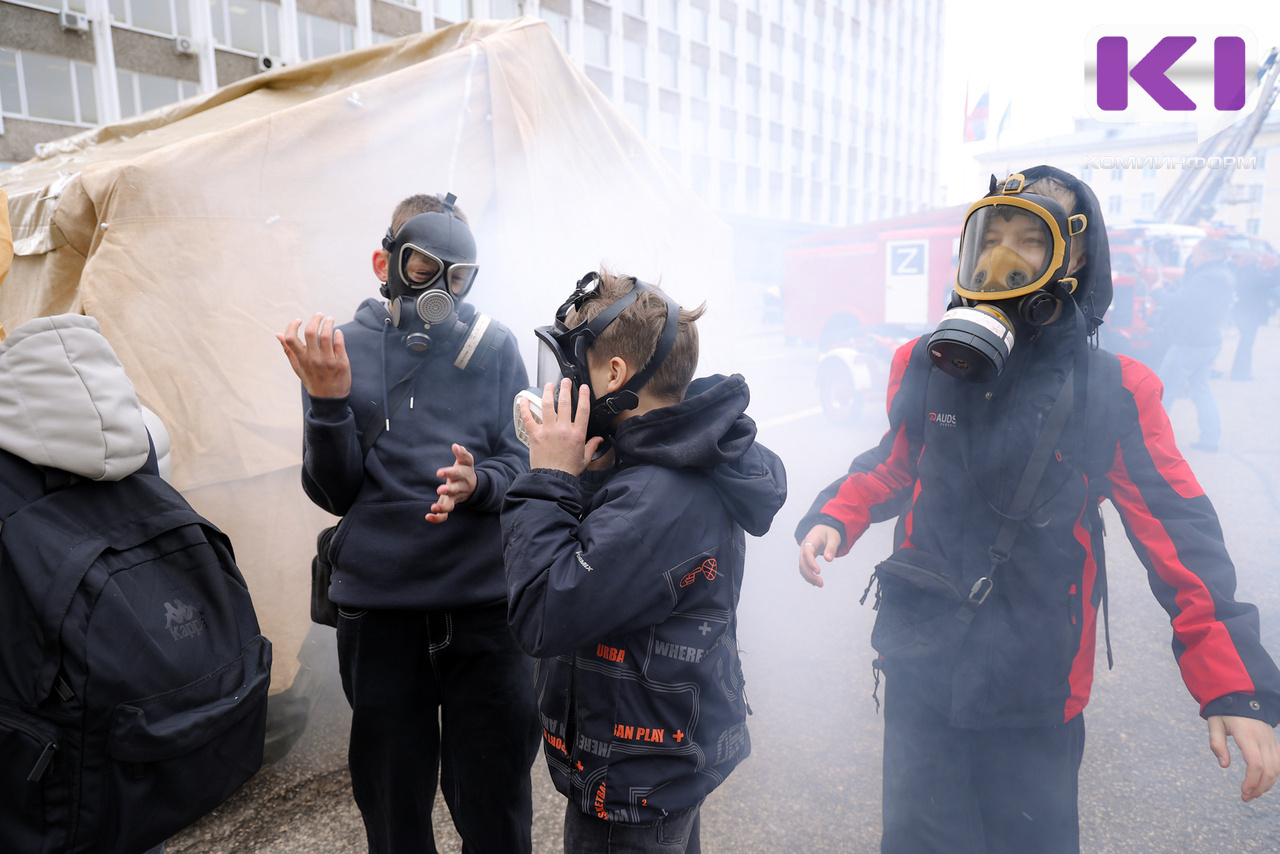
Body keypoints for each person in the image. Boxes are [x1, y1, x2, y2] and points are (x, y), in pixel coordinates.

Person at [795, 166, 1280, 854]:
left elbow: (1179, 532)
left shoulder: (1116, 388)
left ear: (1075, 257)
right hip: (920, 664)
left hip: (1037, 684)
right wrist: (835, 516)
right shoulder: (927, 361)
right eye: (992, 238)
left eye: (1031, 240)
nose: (1004, 258)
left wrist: (1232, 684)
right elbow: (897, 460)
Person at [276, 193, 540, 854]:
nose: (439, 292)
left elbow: (524, 462)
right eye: (423, 270)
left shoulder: (495, 347)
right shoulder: (340, 349)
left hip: (485, 613)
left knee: (497, 805)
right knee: (394, 809)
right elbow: (333, 492)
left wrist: (480, 484)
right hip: (382, 616)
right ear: (385, 263)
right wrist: (327, 403)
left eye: (458, 277)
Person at [501, 270, 786, 853]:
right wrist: (593, 475)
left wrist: (549, 478)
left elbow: (543, 613)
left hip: (629, 787)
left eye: (574, 367)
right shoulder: (678, 454)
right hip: (660, 763)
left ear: (614, 375)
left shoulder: (655, 499)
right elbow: (613, 568)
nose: (563, 383)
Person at [1156, 237, 1235, 451]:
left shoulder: (1208, 277)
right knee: (1201, 390)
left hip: (1190, 343)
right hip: (1209, 341)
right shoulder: (1222, 273)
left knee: (1164, 390)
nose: (1192, 259)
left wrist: (1157, 292)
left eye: (1195, 254)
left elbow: (1181, 303)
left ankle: (1152, 441)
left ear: (1206, 255)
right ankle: (1210, 439)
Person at [1229, 250, 1275, 381]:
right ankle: (1240, 373)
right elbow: (1272, 282)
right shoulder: (1254, 274)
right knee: (1246, 343)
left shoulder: (1242, 272)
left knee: (1246, 342)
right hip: (1249, 314)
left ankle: (1242, 372)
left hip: (1243, 312)